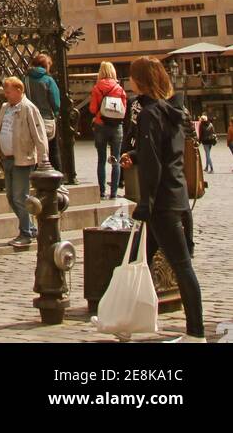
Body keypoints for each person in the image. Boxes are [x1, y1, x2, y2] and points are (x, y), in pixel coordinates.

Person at [120, 56, 205, 342]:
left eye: (131, 76)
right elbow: (167, 155)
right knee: (136, 258)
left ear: (140, 80)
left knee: (181, 266)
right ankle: (124, 319)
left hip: (161, 203)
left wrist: (146, 202)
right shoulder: (173, 111)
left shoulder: (148, 114)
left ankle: (196, 332)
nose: (129, 81)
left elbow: (155, 163)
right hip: (178, 196)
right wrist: (134, 155)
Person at [0, 77, 49, 250]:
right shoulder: (5, 108)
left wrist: (43, 158)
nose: (6, 95)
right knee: (11, 197)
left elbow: (39, 134)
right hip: (8, 158)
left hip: (23, 159)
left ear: (18, 90)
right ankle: (30, 228)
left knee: (20, 197)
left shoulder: (28, 108)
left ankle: (25, 233)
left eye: (8, 92)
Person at [88, 61, 127, 200]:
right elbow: (124, 110)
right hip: (116, 126)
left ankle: (102, 192)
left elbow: (92, 109)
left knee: (101, 159)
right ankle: (114, 193)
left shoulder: (97, 88)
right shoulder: (119, 88)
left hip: (101, 125)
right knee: (116, 160)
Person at [25, 53, 62, 172]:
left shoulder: (25, 79)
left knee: (34, 150)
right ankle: (56, 178)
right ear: (47, 65)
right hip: (46, 119)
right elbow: (56, 102)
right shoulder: (48, 80)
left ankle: (35, 176)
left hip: (30, 119)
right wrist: (55, 114)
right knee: (52, 150)